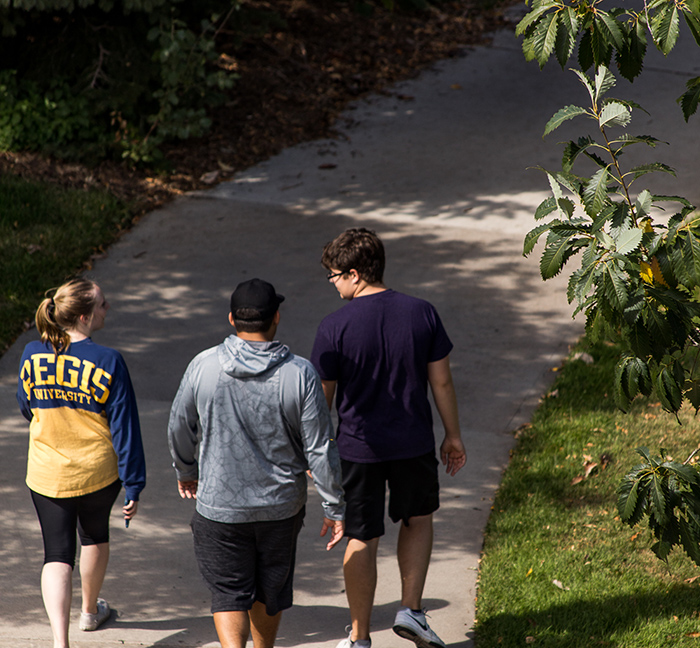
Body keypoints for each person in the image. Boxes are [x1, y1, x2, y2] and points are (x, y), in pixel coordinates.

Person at [168, 278, 345, 648]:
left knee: (229, 593)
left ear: (232, 319)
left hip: (219, 507)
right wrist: (334, 505)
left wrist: (187, 470)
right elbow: (319, 447)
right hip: (280, 508)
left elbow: (180, 426)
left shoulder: (204, 365)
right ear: (276, 317)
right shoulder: (300, 374)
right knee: (270, 588)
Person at [310, 228, 467, 648]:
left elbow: (320, 404)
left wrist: (316, 456)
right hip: (413, 442)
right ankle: (411, 610)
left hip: (357, 450)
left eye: (335, 275)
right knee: (417, 520)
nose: (332, 282)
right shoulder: (422, 313)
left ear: (356, 274)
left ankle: (360, 637)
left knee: (361, 535)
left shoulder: (333, 327)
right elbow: (443, 384)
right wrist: (452, 435)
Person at [16, 278, 146, 648]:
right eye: (104, 304)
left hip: (46, 473)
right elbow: (125, 427)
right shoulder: (109, 361)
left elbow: (27, 406)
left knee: (56, 554)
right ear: (86, 317)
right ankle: (89, 611)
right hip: (97, 472)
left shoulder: (31, 353)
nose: (109, 308)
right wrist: (134, 481)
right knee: (94, 537)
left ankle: (61, 641)